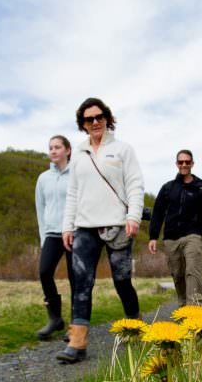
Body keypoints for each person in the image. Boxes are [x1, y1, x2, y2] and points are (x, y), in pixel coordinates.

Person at [58, 98, 144, 363]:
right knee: (82, 283)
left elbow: (135, 184)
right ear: (82, 124)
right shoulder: (80, 155)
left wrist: (134, 217)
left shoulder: (122, 149)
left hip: (117, 225)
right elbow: (72, 193)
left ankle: (135, 325)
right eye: (88, 119)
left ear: (107, 118)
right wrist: (67, 226)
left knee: (121, 280)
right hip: (84, 227)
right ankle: (77, 342)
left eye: (99, 117)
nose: (94, 122)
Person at [147, 150, 202, 306]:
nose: (184, 164)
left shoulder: (200, 189)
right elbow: (157, 213)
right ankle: (183, 308)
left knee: (192, 272)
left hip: (193, 236)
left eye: (187, 162)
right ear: (177, 164)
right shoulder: (167, 188)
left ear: (192, 164)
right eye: (181, 162)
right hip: (171, 238)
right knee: (177, 274)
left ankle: (195, 311)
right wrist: (153, 236)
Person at [34, 135, 75, 340]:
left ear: (67, 150)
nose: (53, 151)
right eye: (50, 147)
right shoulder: (43, 179)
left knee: (76, 278)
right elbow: (40, 209)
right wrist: (43, 237)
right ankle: (55, 318)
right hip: (51, 233)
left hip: (74, 233)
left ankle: (76, 325)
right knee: (44, 272)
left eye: (57, 147)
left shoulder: (76, 175)